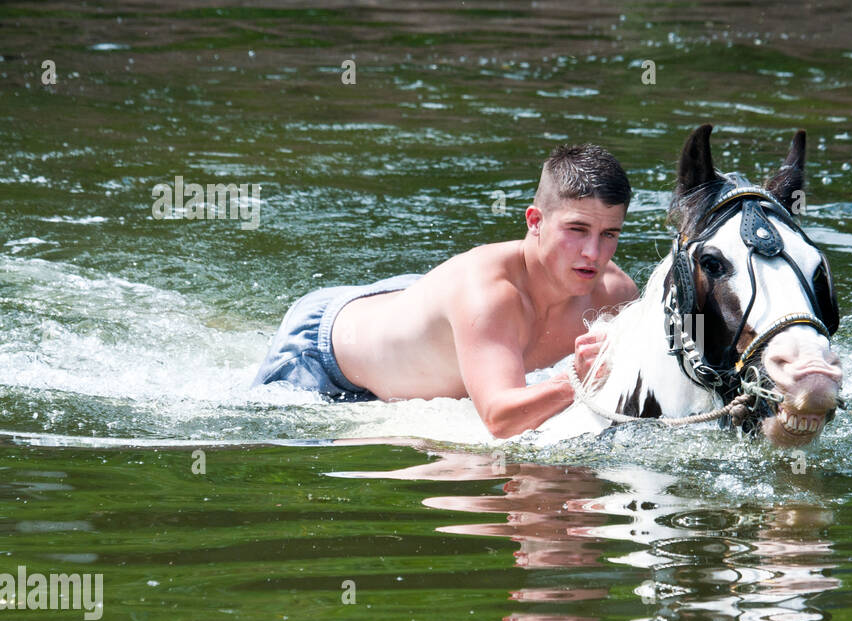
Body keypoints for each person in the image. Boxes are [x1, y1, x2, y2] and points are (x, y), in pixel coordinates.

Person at [251, 143, 639, 438]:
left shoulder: (615, 295)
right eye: (576, 230)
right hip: (325, 356)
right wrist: (575, 378)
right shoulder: (490, 297)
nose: (593, 253)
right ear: (535, 221)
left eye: (609, 235)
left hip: (424, 313)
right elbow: (500, 420)